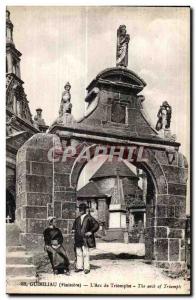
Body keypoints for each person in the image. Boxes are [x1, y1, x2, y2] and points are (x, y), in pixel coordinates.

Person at [72, 203, 99, 274]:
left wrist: (91, 231)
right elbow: (74, 227)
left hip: (85, 239)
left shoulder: (89, 217)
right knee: (78, 253)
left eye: (82, 209)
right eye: (80, 209)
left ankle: (86, 268)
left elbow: (96, 225)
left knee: (85, 253)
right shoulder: (77, 219)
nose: (80, 210)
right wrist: (73, 230)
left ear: (84, 210)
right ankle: (79, 267)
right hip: (78, 238)